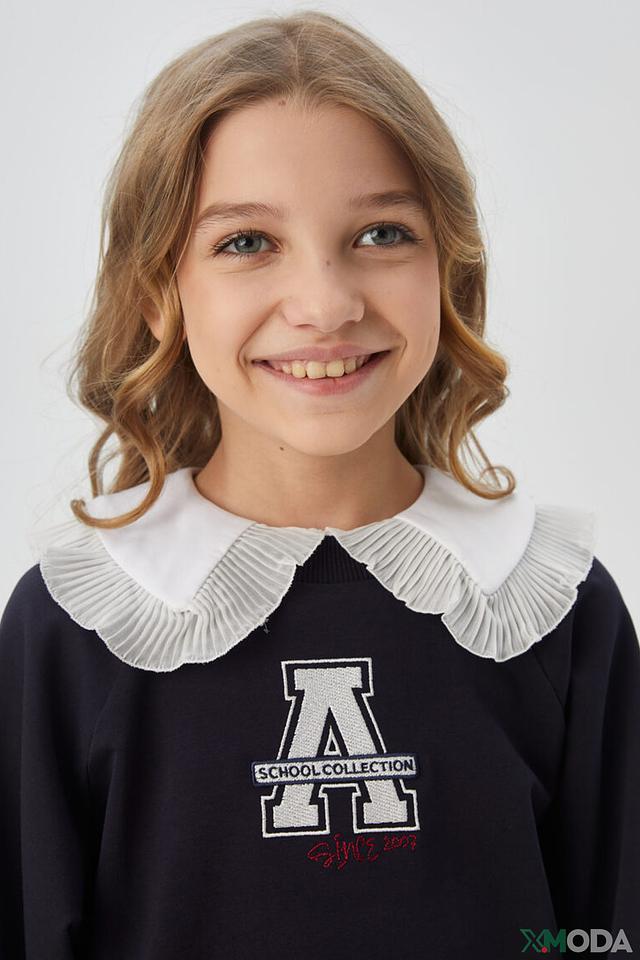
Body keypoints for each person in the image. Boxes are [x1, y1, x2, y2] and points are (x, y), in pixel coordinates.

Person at [1, 10, 638, 959]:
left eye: (382, 232)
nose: (326, 305)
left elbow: (600, 934)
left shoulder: (554, 610)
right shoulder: (70, 633)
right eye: (246, 242)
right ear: (158, 293)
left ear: (447, 265)